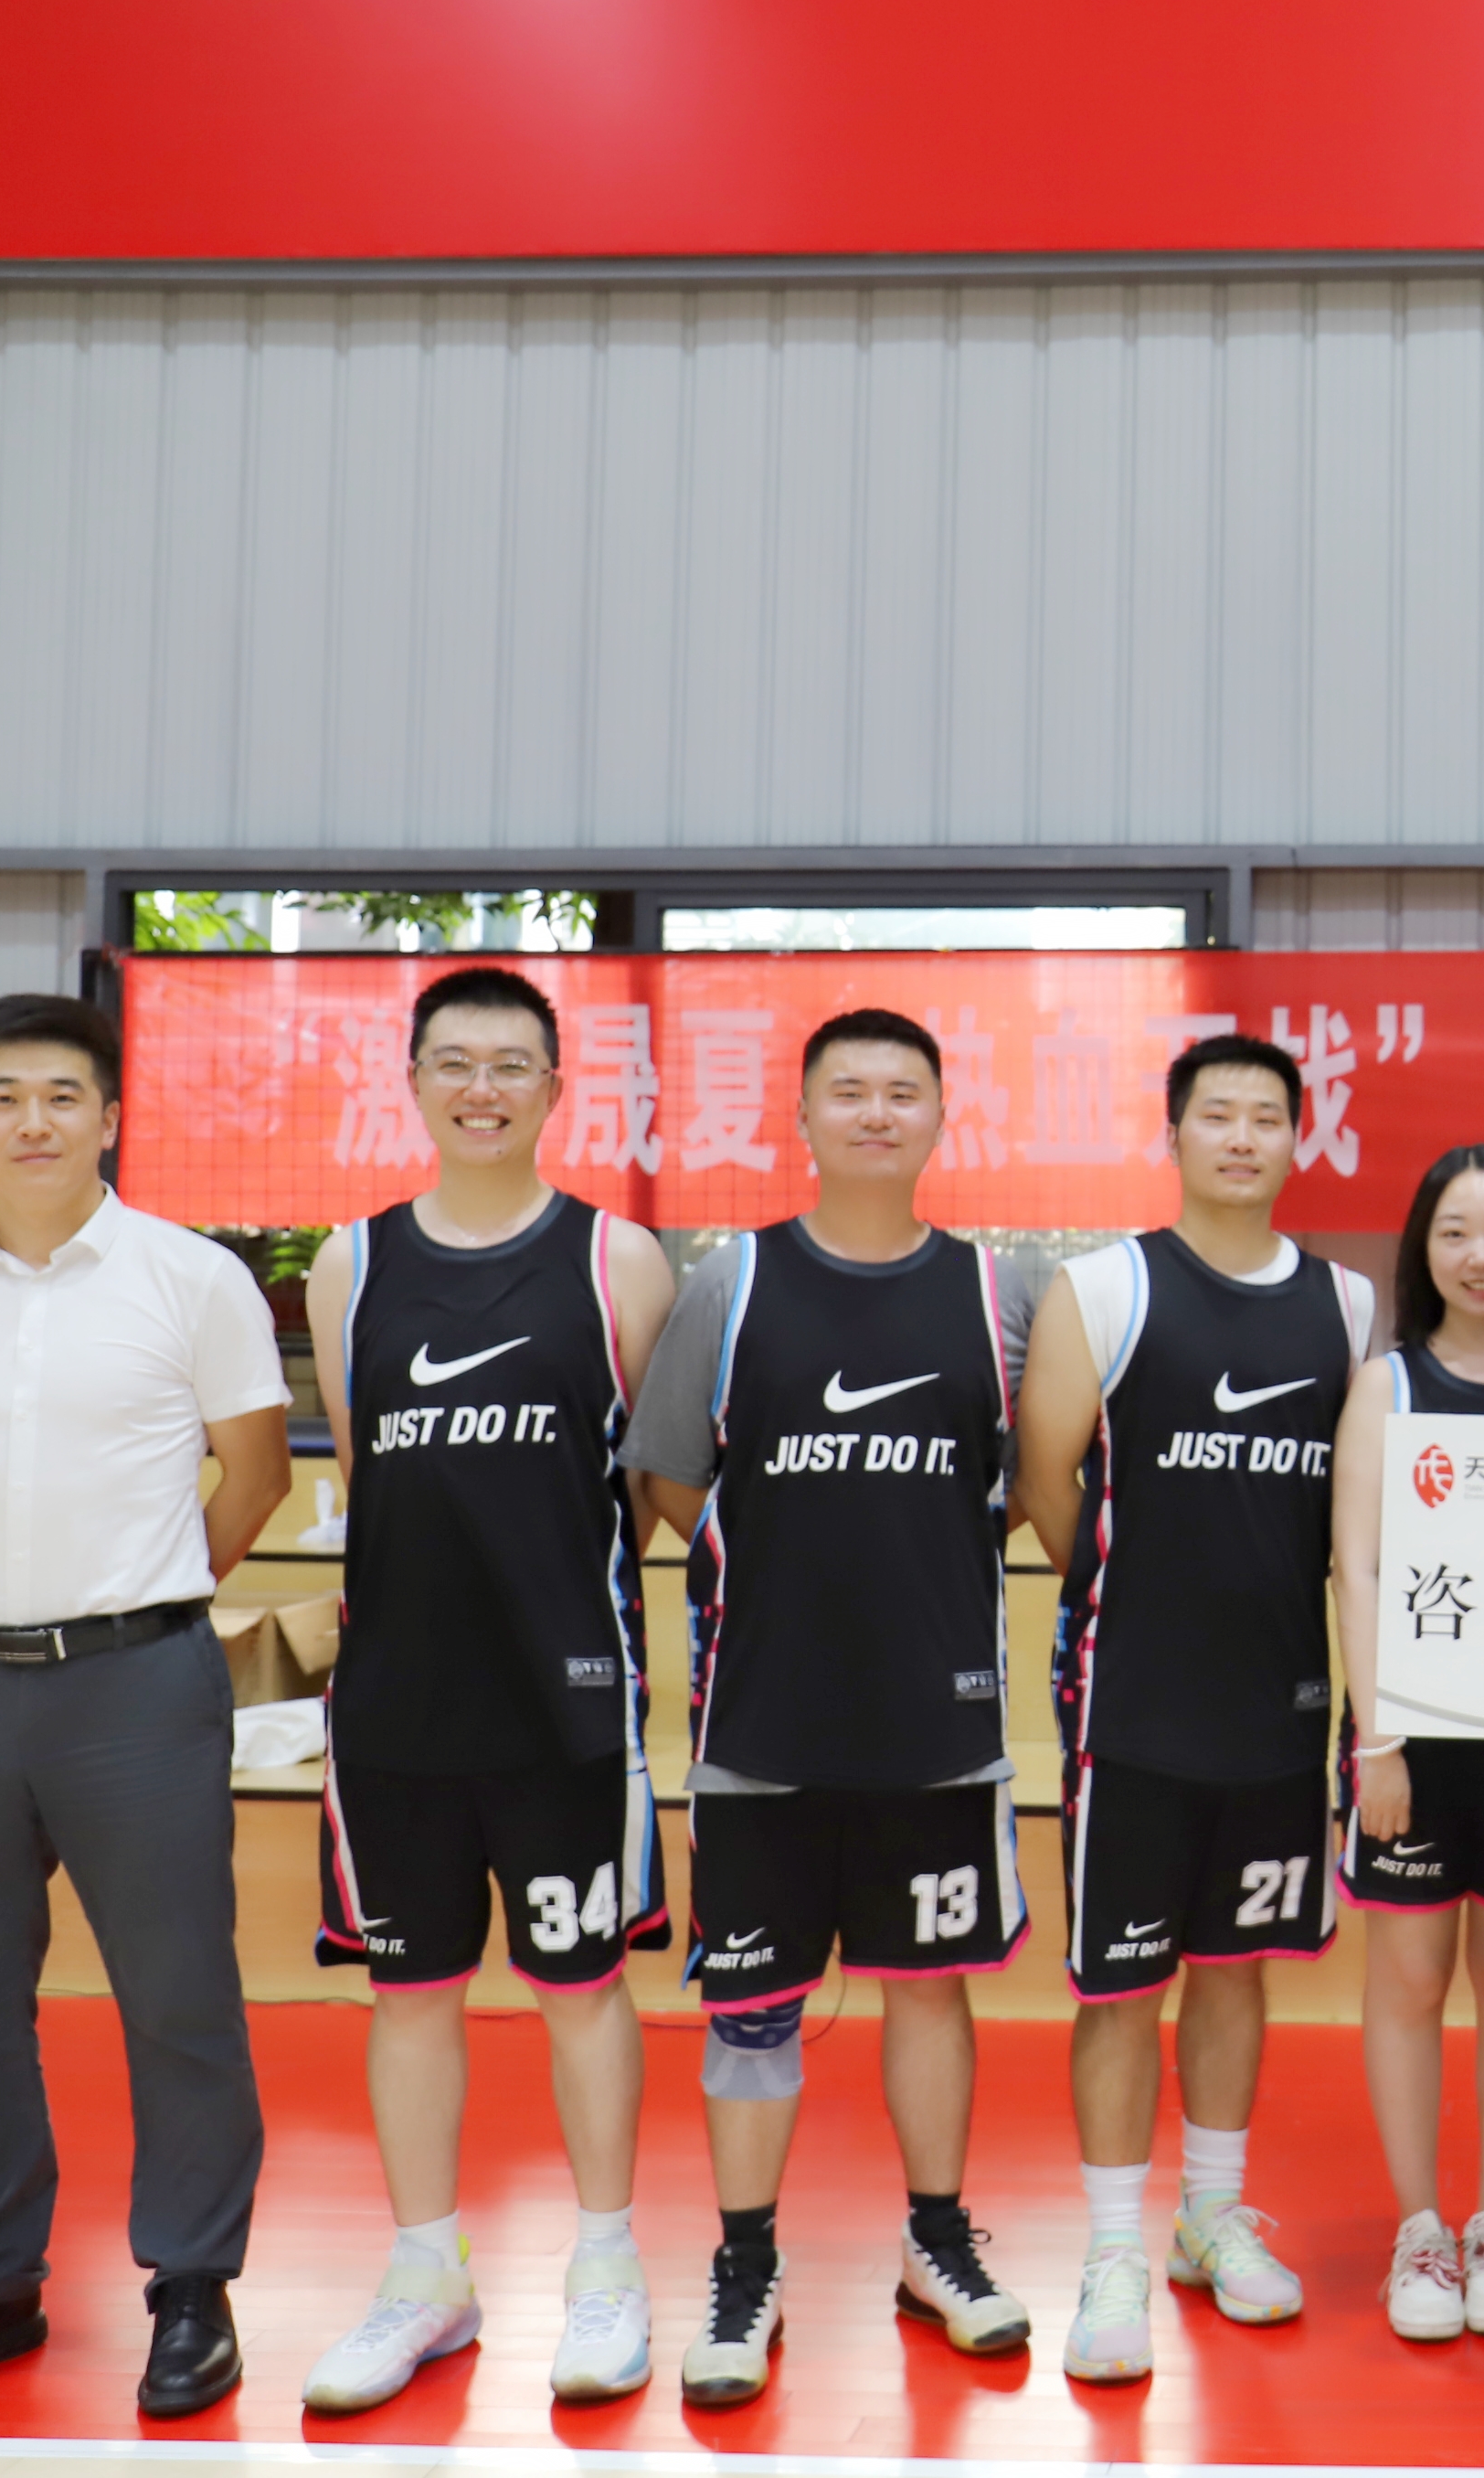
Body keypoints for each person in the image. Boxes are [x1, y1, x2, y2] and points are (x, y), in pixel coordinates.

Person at [0, 994, 292, 2427]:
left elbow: (255, 1474)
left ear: (111, 1118)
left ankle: (193, 2286)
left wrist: (139, 1600)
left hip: (138, 1687)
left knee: (180, 1996)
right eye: (4, 1097)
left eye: (63, 1095)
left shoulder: (192, 1278)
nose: (35, 1121)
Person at [623, 1010, 1036, 2405]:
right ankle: (746, 2267)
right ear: (800, 1118)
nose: (874, 1112)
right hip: (764, 1723)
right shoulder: (730, 1282)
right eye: (847, 1091)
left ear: (940, 1117)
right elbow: (669, 1477)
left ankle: (937, 2242)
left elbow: (1021, 1487)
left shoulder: (999, 1294)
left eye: (901, 1091)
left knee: (932, 1988)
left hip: (940, 1724)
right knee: (753, 2009)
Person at [297, 964, 680, 2412]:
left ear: (554, 1087)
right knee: (410, 1995)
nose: (482, 1087)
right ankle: (426, 2277)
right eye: (454, 1062)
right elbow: (368, 1471)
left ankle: (605, 2268)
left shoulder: (620, 1262)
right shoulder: (351, 1265)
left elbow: (641, 1491)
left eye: (511, 1063)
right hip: (396, 1707)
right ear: (413, 1083)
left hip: (564, 1705)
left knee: (582, 1988)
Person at [1012, 1033, 1376, 2385]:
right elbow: (1047, 1482)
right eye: (1215, 1115)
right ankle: (1114, 2247)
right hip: (1132, 1705)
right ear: (1172, 1135)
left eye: (1265, 1117)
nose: (1240, 1137)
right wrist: (1135, 1604)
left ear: (1296, 1139)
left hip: (1278, 1702)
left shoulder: (1343, 1304)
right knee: (1120, 1986)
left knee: (1234, 1967)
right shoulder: (1104, 1287)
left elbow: (1351, 1514)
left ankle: (1209, 2216)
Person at [1327, 1145, 1484, 2348]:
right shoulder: (1388, 1385)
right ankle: (1419, 2227)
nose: (1483, 1256)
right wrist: (1378, 1740)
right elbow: (1359, 1565)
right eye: (1457, 1232)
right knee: (1410, 1980)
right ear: (1422, 1249)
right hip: (1414, 1741)